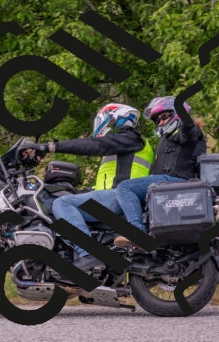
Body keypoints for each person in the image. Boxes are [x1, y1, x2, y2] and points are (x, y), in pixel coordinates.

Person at [18, 103, 154, 270]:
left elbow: (94, 145)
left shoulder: (131, 138)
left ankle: (88, 254)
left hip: (119, 197)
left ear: (113, 118)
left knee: (62, 203)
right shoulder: (123, 144)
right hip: (115, 197)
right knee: (63, 199)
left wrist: (50, 147)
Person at [112, 96, 207, 248]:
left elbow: (187, 131)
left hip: (176, 182)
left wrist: (184, 116)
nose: (161, 122)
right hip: (166, 185)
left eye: (164, 116)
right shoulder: (166, 139)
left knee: (125, 188)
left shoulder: (190, 132)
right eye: (157, 120)